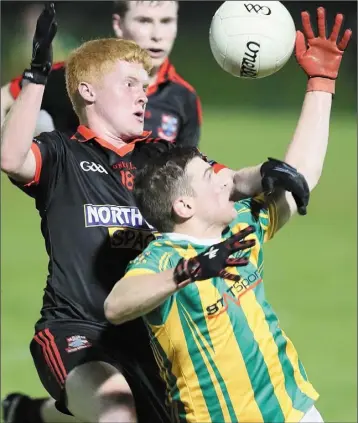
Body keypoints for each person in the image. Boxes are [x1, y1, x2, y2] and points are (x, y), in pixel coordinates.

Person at [1, 4, 311, 423]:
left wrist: (270, 171)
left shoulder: (162, 158)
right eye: (129, 83)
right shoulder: (61, 153)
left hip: (149, 329)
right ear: (89, 91)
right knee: (115, 409)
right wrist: (36, 77)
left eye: (145, 85)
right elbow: (11, 156)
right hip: (77, 329)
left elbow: (232, 181)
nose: (143, 93)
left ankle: (29, 415)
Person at [104, 8, 351, 423]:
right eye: (209, 178)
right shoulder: (165, 258)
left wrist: (321, 85)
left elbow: (300, 177)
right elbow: (116, 305)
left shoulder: (240, 227)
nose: (226, 182)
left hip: (295, 411)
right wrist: (188, 272)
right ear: (183, 206)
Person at [1, 1, 202, 145]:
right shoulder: (73, 75)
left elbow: (184, 174)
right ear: (118, 24)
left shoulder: (184, 98)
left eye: (166, 21)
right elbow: (6, 97)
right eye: (144, 21)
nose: (157, 35)